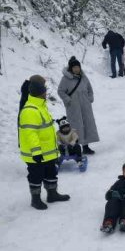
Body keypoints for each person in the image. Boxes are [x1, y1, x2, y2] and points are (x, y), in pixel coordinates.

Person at [18, 75, 69, 209]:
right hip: (36, 154)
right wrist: (36, 152)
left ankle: (52, 194)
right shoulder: (30, 110)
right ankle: (35, 199)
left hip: (48, 152)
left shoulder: (41, 106)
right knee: (36, 176)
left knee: (51, 173)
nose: (46, 93)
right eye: (44, 91)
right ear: (40, 93)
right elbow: (30, 133)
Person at [57, 57, 98, 155]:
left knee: (86, 125)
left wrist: (90, 98)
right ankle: (74, 148)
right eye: (74, 67)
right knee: (76, 127)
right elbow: (60, 91)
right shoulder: (65, 79)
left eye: (78, 67)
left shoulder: (83, 77)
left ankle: (86, 147)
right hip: (73, 106)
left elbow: (89, 88)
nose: (76, 69)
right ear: (71, 68)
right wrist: (68, 100)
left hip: (85, 105)